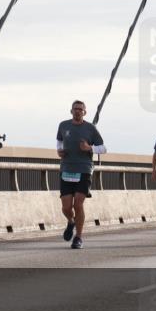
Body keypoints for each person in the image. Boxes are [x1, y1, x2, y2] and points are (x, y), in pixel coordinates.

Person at [55, 100, 106, 250]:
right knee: (66, 207)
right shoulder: (63, 125)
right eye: (75, 109)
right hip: (66, 168)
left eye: (80, 109)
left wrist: (89, 148)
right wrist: (59, 151)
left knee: (78, 204)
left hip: (84, 169)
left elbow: (103, 148)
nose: (77, 111)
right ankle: (71, 222)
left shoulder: (90, 128)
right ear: (71, 111)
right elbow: (59, 140)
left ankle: (78, 237)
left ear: (85, 112)